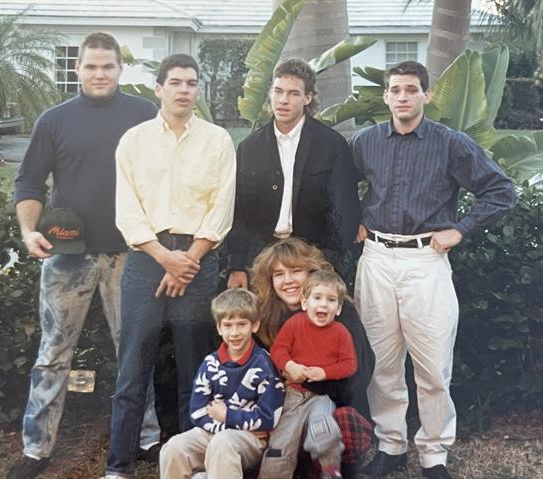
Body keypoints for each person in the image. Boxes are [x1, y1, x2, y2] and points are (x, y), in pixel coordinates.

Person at [350, 61, 517, 479]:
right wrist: (350, 218)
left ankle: (434, 454)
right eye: (395, 90)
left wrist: (460, 230)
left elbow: (501, 190)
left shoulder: (451, 144)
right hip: (376, 259)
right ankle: (390, 446)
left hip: (426, 261)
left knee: (433, 365)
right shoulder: (365, 142)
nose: (402, 96)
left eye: (411, 89)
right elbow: (336, 187)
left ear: (426, 95)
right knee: (381, 362)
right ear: (386, 96)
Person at [8, 32, 161, 479]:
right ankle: (37, 448)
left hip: (131, 254)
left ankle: (146, 436)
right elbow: (29, 182)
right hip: (67, 255)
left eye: (107, 66)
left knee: (134, 350)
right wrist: (29, 231)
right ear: (77, 68)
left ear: (120, 69)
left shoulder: (144, 115)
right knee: (53, 352)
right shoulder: (54, 121)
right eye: (91, 66)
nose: (99, 73)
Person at [104, 53, 236, 478]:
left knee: (195, 368)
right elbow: (128, 210)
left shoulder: (217, 140)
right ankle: (118, 466)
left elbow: (221, 209)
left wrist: (188, 260)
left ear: (198, 90)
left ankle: (191, 464)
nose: (184, 90)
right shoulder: (134, 141)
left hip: (198, 263)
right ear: (159, 88)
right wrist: (165, 258)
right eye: (175, 82)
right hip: (147, 261)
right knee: (133, 368)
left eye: (191, 83)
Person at [227, 57, 359, 288]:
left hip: (314, 258)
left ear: (308, 98)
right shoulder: (249, 148)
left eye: (293, 93)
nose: (283, 100)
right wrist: (237, 265)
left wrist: (328, 263)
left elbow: (344, 210)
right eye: (278, 91)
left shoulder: (332, 145)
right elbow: (239, 214)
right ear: (270, 92)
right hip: (261, 260)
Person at [251, 238, 375, 479]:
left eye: (296, 271)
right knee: (275, 449)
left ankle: (332, 470)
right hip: (287, 408)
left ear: (311, 272)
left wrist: (307, 378)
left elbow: (358, 375)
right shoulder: (267, 316)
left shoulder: (339, 313)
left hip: (333, 405)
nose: (288, 280)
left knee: (336, 426)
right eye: (279, 274)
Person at [159, 288, 285, 479]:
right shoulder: (210, 363)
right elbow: (197, 411)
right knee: (174, 447)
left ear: (255, 325)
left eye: (241, 324)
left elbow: (269, 418)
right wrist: (226, 423)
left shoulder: (264, 364)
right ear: (219, 328)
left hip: (250, 440)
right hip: (215, 431)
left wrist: (227, 415)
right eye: (228, 325)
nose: (234, 333)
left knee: (222, 443)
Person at [266, 270, 357, 479]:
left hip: (320, 397)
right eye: (317, 298)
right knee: (281, 443)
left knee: (324, 430)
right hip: (293, 395)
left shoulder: (341, 332)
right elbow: (278, 349)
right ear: (304, 302)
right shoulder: (295, 323)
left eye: (331, 300)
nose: (323, 304)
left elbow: (349, 365)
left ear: (339, 308)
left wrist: (325, 372)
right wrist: (290, 366)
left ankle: (331, 472)